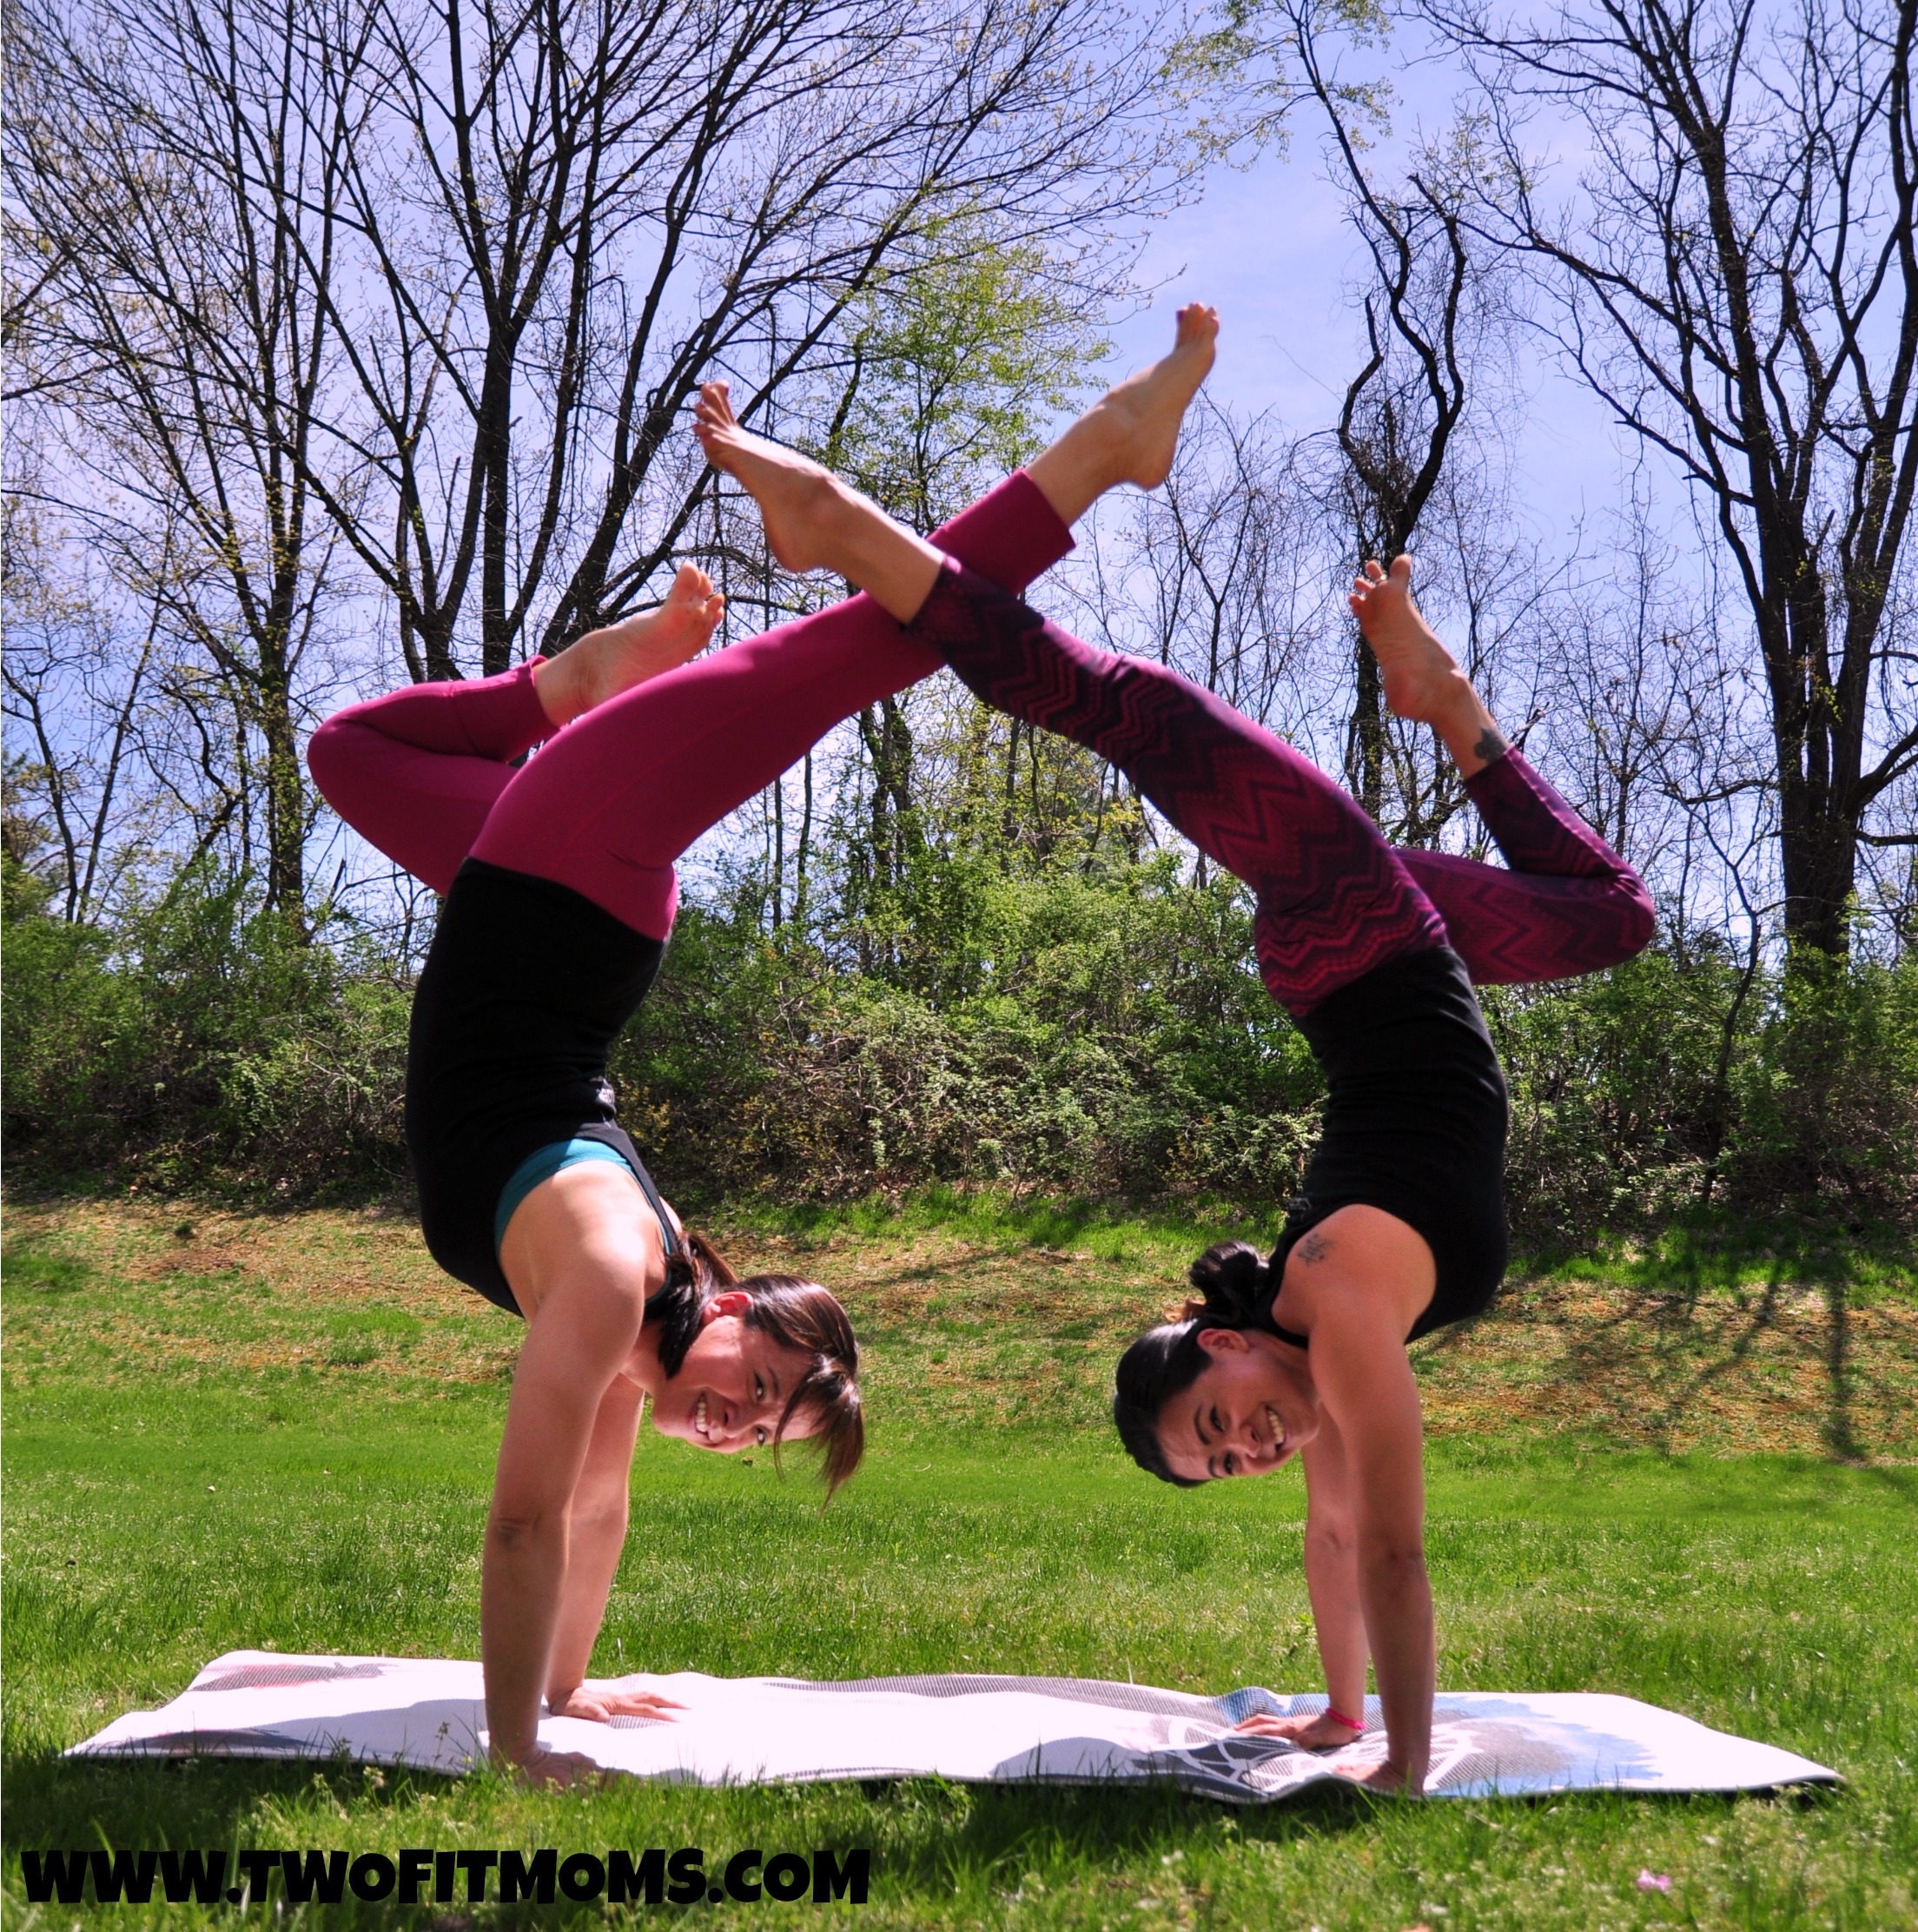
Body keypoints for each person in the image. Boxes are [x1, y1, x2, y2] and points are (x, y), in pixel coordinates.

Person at [694, 307, 1655, 1796]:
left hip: (1357, 937)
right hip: (1379, 950)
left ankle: (847, 521)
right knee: (1613, 918)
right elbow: (1339, 1531)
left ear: (1221, 1345)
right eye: (1230, 1465)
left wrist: (1400, 1768)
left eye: (1220, 1427)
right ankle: (1445, 705)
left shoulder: (1338, 1305)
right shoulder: (1327, 1352)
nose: (1254, 1451)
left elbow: (1393, 1550)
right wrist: (1337, 1719)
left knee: (1119, 708)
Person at [304, 307, 1221, 1783]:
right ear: (732, 1305)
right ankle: (1098, 452)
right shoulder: (613, 1272)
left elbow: (588, 1508)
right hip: (570, 867)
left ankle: (575, 688)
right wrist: (517, 1753)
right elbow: (522, 1520)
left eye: (764, 1427)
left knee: (351, 753)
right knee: (865, 646)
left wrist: (567, 1694)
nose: (743, 1418)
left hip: (539, 896)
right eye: (768, 1381)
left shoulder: (635, 1329)